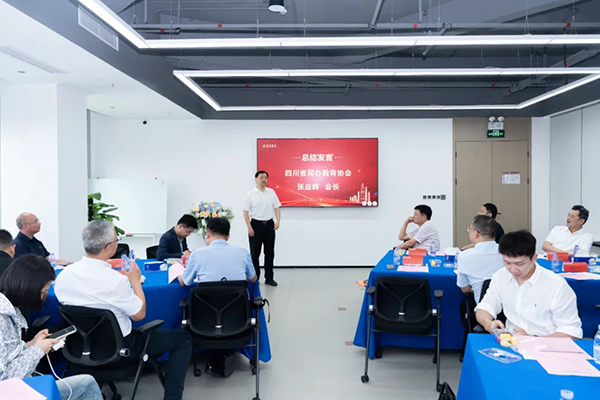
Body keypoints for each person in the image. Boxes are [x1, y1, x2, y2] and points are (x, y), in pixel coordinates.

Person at [55, 221, 192, 400]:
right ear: (108, 248)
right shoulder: (115, 281)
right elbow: (139, 314)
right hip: (121, 349)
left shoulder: (64, 276)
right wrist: (135, 280)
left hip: (78, 347)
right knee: (183, 339)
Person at [0, 255, 102, 400]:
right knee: (87, 383)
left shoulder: (10, 311)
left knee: (87, 383)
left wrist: (31, 344)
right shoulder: (2, 319)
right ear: (30, 288)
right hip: (12, 392)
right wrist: (38, 349)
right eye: (43, 292)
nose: (44, 297)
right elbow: (6, 380)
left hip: (20, 386)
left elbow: (9, 355)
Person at [476, 230, 582, 339]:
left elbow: (571, 331)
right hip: (511, 342)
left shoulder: (556, 285)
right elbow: (485, 307)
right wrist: (488, 323)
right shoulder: (501, 276)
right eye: (507, 263)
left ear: (534, 258)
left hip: (547, 343)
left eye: (519, 264)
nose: (513, 269)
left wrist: (533, 339)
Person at [179, 217, 256, 286]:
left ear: (208, 234)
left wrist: (179, 277)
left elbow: (185, 282)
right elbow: (253, 279)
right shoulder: (243, 253)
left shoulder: (197, 254)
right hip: (237, 297)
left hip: (207, 298)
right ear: (228, 236)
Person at [243, 170, 281, 286]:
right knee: (255, 254)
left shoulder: (271, 192)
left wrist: (278, 221)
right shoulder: (250, 194)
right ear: (256, 179)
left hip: (269, 225)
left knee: (269, 253)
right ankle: (255, 278)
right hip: (255, 225)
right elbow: (245, 212)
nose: (264, 180)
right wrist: (249, 227)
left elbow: (277, 208)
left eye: (265, 178)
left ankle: (269, 278)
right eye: (261, 177)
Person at [456, 215, 504, 303]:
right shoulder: (507, 252)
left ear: (476, 234)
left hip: (483, 305)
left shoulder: (465, 256)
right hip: (508, 304)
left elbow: (464, 289)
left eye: (469, 229)